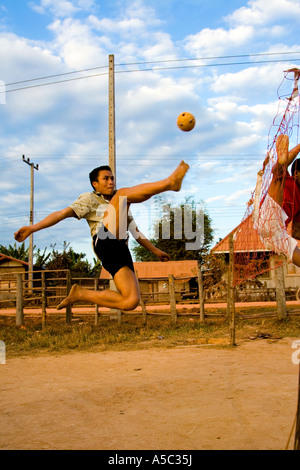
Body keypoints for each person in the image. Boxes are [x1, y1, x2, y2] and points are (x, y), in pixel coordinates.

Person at [14, 160, 189, 310]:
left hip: (119, 249)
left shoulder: (122, 203)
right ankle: (169, 183)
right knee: (122, 195)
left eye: (112, 178)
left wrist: (156, 251)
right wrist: (32, 228)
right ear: (95, 184)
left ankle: (81, 293)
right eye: (106, 178)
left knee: (130, 301)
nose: (111, 182)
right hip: (104, 242)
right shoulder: (90, 199)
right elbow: (61, 213)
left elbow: (135, 231)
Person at [254, 134, 300, 266]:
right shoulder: (289, 181)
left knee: (288, 246)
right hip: (270, 214)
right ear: (296, 174)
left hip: (274, 229)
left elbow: (297, 232)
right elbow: (278, 173)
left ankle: (281, 163)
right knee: (279, 176)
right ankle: (281, 162)